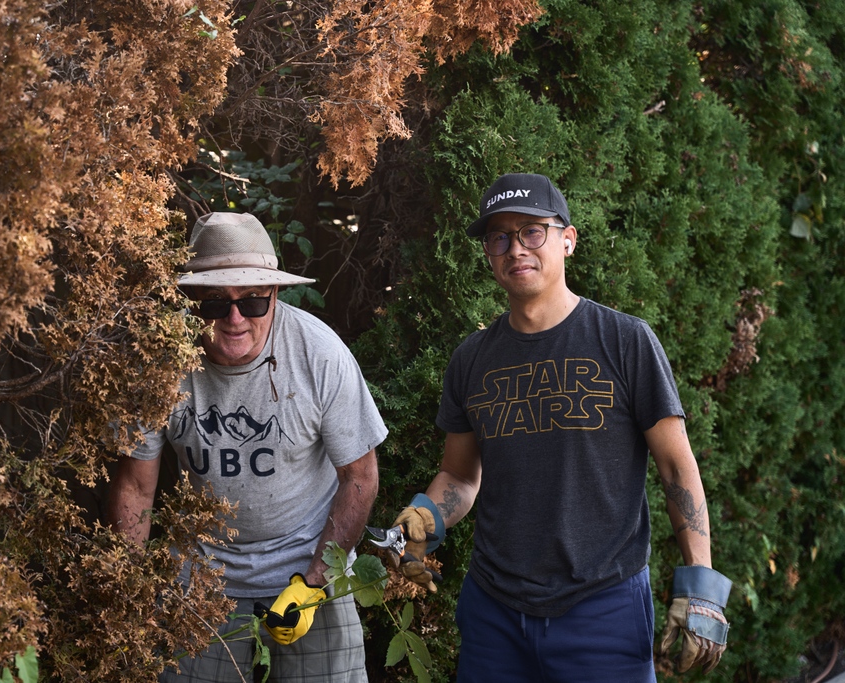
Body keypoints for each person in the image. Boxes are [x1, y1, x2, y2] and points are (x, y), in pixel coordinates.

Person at [389, 173, 732, 682]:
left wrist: (701, 580)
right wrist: (421, 520)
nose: (515, 249)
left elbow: (675, 464)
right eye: (499, 237)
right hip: (494, 613)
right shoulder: (470, 361)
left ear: (567, 240)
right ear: (488, 253)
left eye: (532, 231)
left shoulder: (625, 341)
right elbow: (460, 477)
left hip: (603, 608)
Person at [106, 212, 386, 682]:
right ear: (190, 300)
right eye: (215, 303)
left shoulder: (319, 354)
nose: (235, 319)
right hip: (201, 577)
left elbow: (360, 477)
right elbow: (135, 488)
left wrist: (314, 586)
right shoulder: (157, 366)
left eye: (253, 301)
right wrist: (126, 592)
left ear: (275, 294)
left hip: (308, 565)